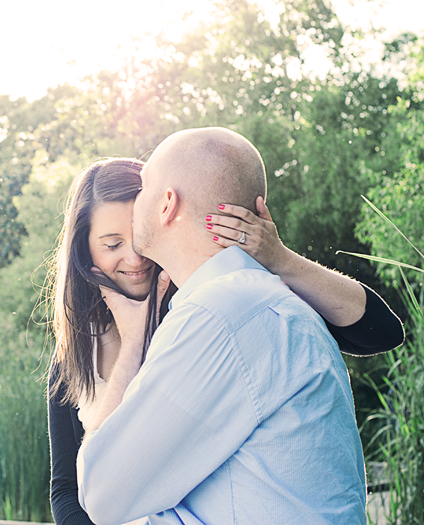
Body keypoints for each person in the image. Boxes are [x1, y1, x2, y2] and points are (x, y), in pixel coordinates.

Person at [48, 155, 403, 525]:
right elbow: (67, 489)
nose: (134, 257)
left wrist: (277, 258)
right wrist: (131, 340)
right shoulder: (76, 350)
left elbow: (379, 332)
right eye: (111, 245)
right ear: (84, 250)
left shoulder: (213, 312)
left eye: (137, 234)